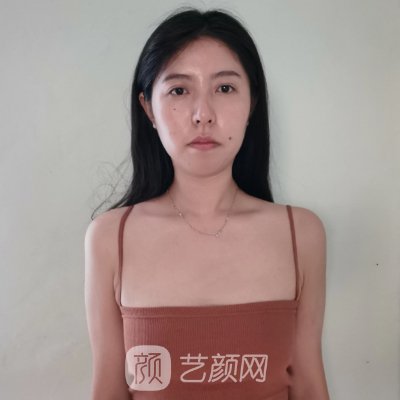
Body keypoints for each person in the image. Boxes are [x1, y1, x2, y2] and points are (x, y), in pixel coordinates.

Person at [84, 7, 330, 400]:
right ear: (148, 108)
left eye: (225, 88)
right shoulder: (111, 237)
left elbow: (309, 384)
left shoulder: (301, 234)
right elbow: (108, 392)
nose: (203, 115)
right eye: (179, 90)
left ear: (252, 103)